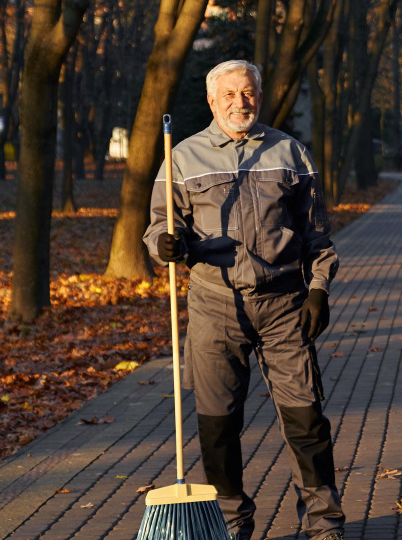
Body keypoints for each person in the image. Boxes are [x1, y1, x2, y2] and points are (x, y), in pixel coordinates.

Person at [143, 59, 344, 540]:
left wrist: (318, 289)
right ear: (212, 101)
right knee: (217, 428)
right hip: (215, 305)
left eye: (248, 92)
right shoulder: (183, 158)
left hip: (284, 304)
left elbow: (317, 234)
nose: (241, 102)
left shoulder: (290, 152)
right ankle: (232, 522)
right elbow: (158, 227)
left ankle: (324, 524)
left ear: (259, 95)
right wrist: (164, 247)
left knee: (307, 420)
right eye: (230, 94)